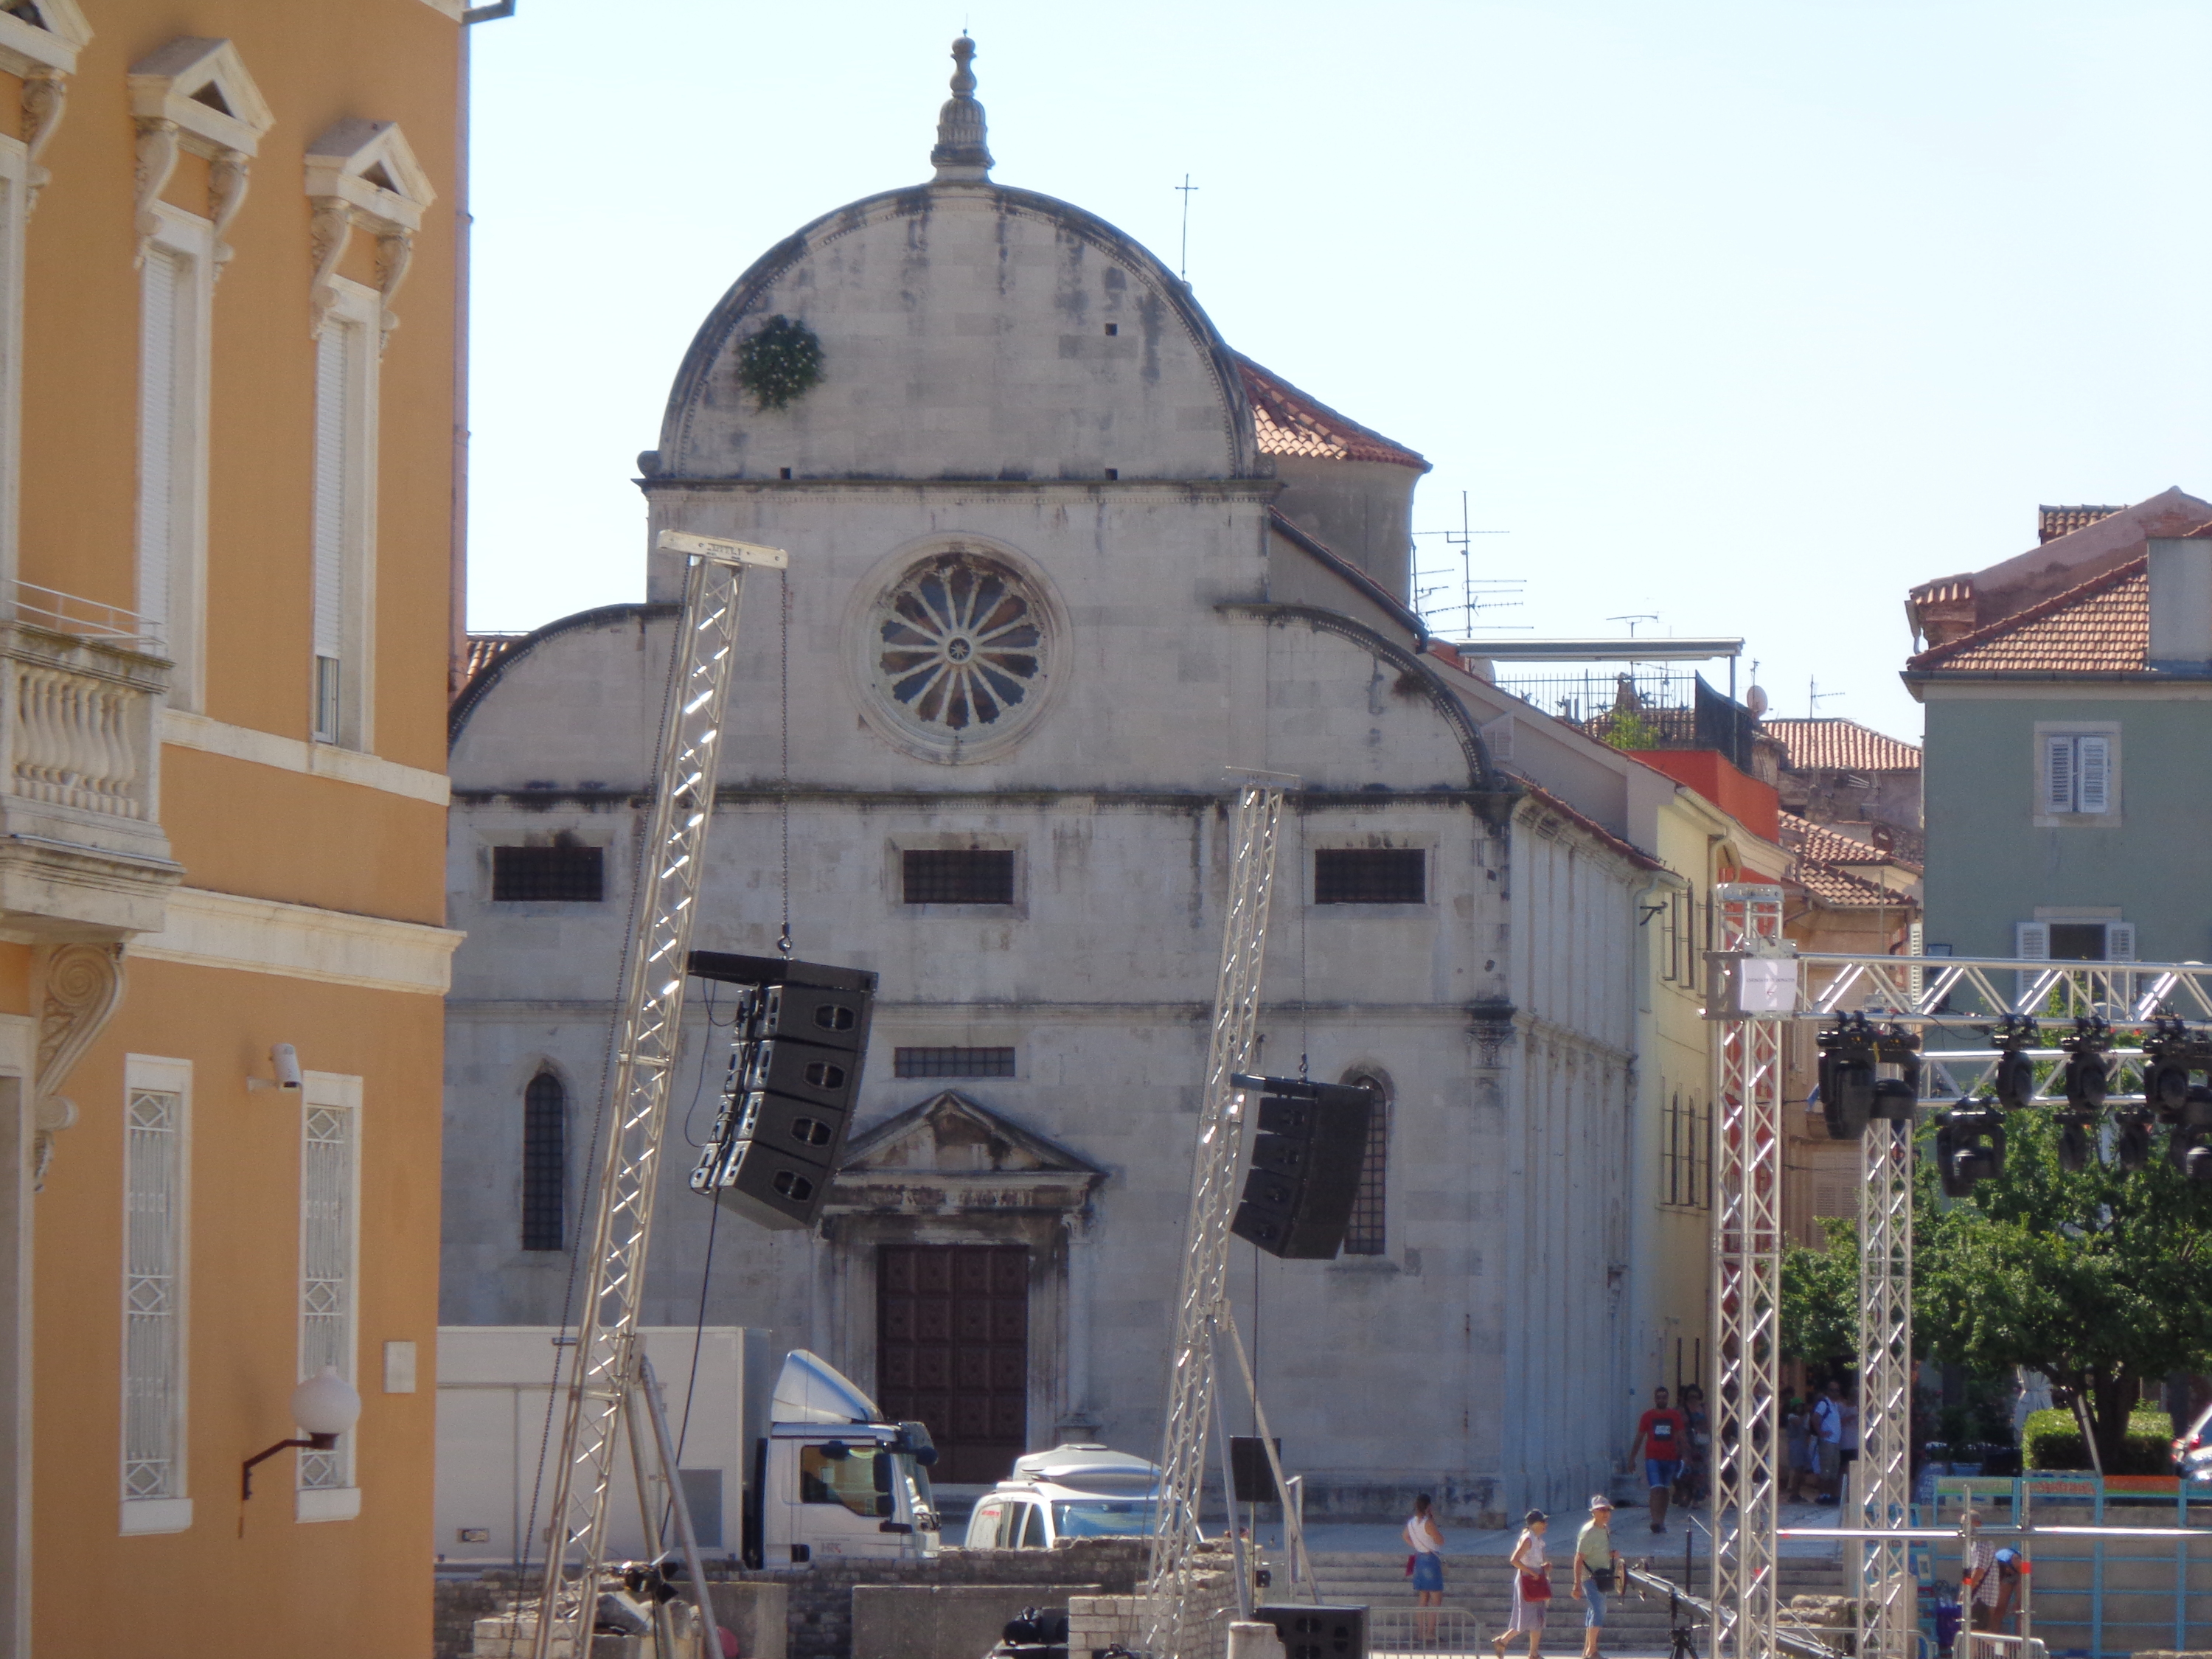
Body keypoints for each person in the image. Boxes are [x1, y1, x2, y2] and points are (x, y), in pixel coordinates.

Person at [1627, 1386, 1688, 1534]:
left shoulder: (1674, 1416)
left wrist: (1686, 1454)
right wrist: (1632, 1458)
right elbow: (1639, 1438)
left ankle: (1661, 1520)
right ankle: (1655, 1520)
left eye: (1664, 1397)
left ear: (1667, 1399)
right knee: (1655, 1489)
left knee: (1665, 1490)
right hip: (1652, 1458)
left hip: (1670, 1458)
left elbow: (1681, 1436)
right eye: (1659, 1397)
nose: (1661, 1400)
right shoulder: (1647, 1417)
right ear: (1655, 1399)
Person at [1493, 1509, 1551, 1659]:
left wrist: (1543, 1567)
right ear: (1534, 1524)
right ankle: (1503, 1640)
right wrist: (1531, 1572)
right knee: (1526, 1618)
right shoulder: (1528, 1538)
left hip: (1536, 1578)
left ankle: (1533, 1653)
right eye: (1542, 1522)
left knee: (1538, 1617)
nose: (1545, 1524)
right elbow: (1514, 1560)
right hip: (1528, 1580)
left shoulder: (1537, 1539)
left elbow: (1537, 1560)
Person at [1571, 1495, 1621, 1659]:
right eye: (1601, 1510)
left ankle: (1588, 1650)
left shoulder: (1605, 1529)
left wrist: (1610, 1555)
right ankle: (1592, 1651)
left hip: (1602, 1576)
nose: (1605, 1513)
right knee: (1599, 1610)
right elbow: (1579, 1558)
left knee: (1594, 1611)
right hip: (1591, 1577)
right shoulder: (1588, 1532)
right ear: (1593, 1512)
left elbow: (1597, 1550)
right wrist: (1577, 1583)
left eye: (1607, 1510)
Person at [1405, 1492, 1445, 1641]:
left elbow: (1405, 1536)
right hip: (1430, 1559)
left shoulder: (1411, 1523)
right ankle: (1429, 1632)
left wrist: (1416, 1545)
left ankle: (1420, 1632)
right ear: (1429, 1506)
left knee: (1423, 1598)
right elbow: (1440, 1540)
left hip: (1420, 1558)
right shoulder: (1428, 1523)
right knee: (1436, 1599)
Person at [1812, 1380, 1845, 1506]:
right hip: (1827, 1442)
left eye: (1837, 1390)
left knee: (1833, 1470)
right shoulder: (1824, 1404)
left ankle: (1830, 1494)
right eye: (1832, 1390)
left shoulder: (1835, 1405)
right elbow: (1815, 1417)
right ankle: (1823, 1495)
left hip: (1835, 1442)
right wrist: (1820, 1432)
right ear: (1827, 1391)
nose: (1835, 1393)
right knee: (1825, 1470)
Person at [1680, 1385, 1712, 1506]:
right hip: (1686, 1443)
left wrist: (1711, 1440)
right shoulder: (1682, 1409)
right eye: (1691, 1396)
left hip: (1701, 1443)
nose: (1693, 1399)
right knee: (1686, 1471)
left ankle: (1697, 1499)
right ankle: (1686, 1494)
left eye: (1696, 1396)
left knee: (1700, 1472)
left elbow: (1709, 1424)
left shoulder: (1704, 1408)